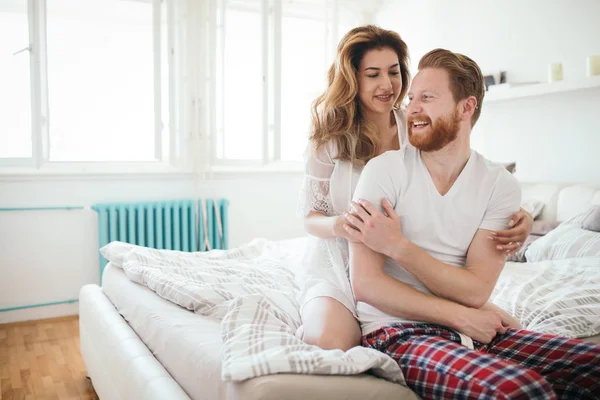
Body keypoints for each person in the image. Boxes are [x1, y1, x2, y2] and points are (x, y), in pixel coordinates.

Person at [344, 48, 600, 399]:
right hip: (398, 330)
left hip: (472, 323)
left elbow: (475, 291)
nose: (412, 108)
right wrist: (459, 316)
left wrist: (398, 246)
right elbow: (367, 285)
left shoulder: (499, 185)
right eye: (413, 98)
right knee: (520, 390)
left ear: (466, 107)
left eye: (428, 98)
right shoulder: (384, 172)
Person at [297, 25, 533, 352]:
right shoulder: (330, 139)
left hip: (402, 267)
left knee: (514, 332)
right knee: (331, 342)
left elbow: (458, 183)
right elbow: (310, 217)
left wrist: (522, 217)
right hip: (342, 261)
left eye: (394, 72)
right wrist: (344, 225)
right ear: (353, 79)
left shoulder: (418, 124)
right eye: (373, 74)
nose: (387, 84)